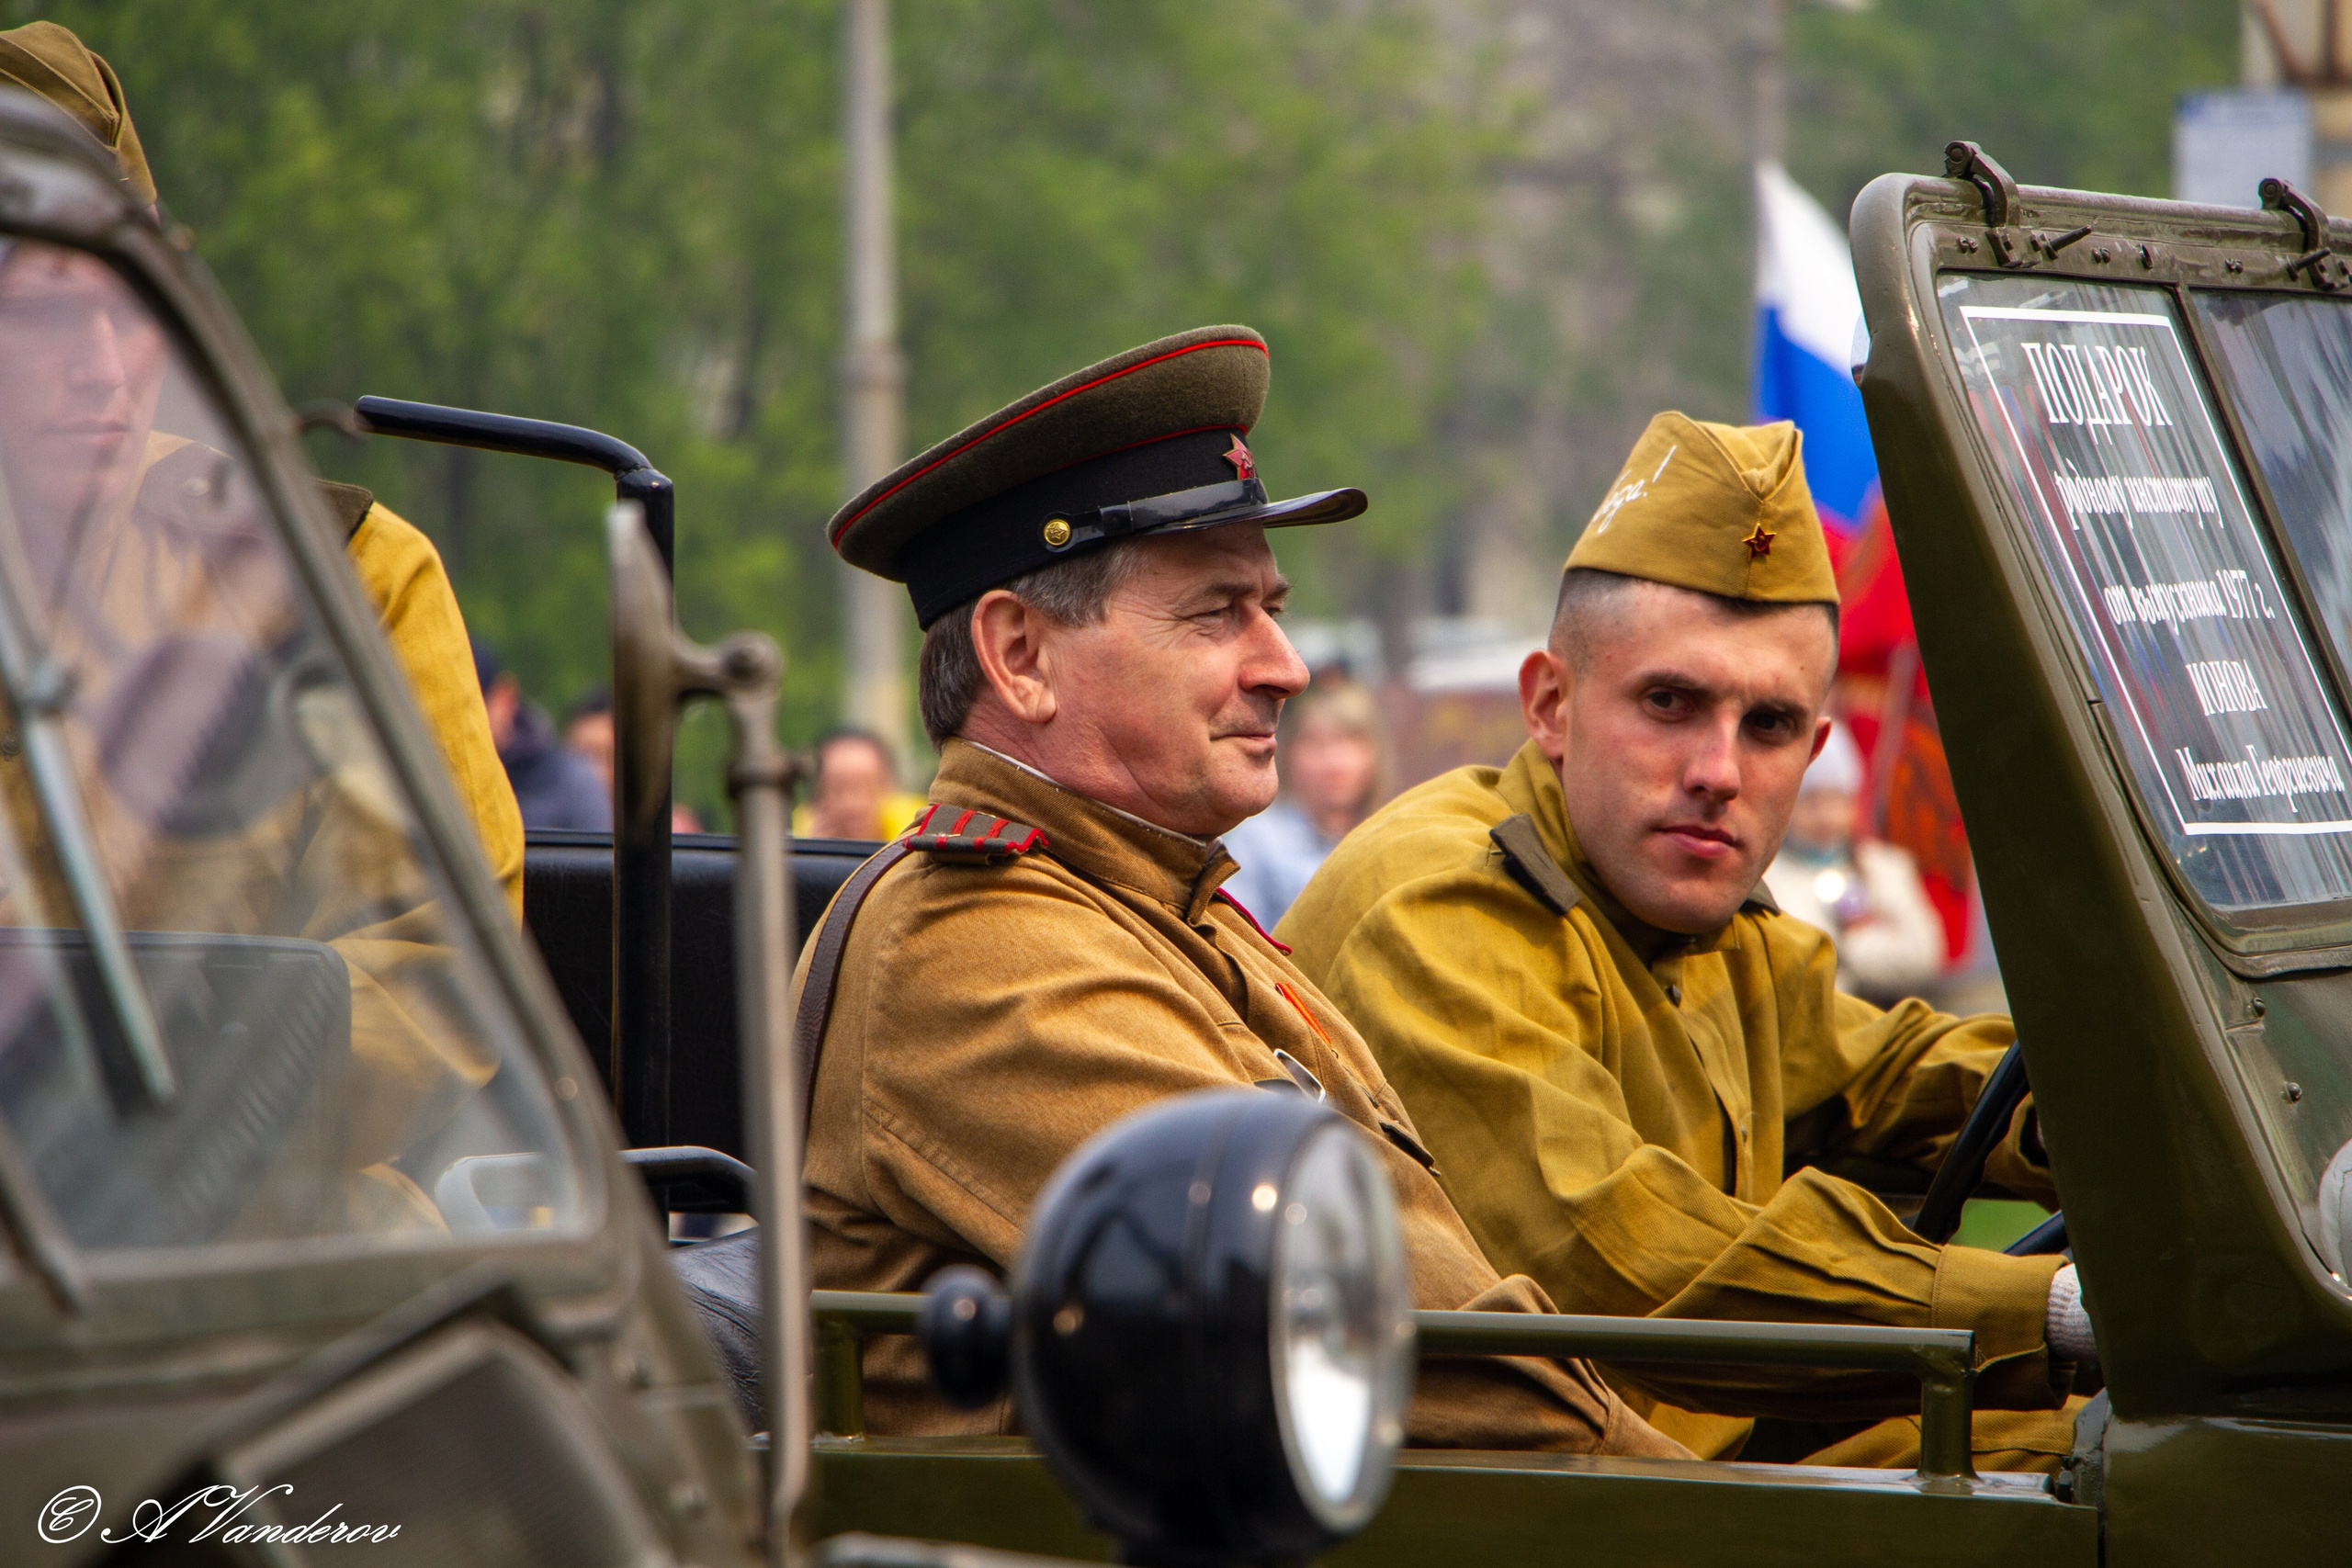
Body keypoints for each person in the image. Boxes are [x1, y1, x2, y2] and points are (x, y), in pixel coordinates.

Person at [794, 325, 1683, 1458]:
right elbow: (1402, 1346)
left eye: (1270, 606)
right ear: (1018, 655)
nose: (1285, 665)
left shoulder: (1159, 901)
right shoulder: (978, 953)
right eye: (1216, 614)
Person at [1278, 412, 2089, 1471]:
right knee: (2146, 1483)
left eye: (1768, 726)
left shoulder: (1693, 909)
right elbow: (1634, 1259)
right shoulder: (1442, 907)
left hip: (1661, 1476)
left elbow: (1892, 1073)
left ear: (1816, 748)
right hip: (1504, 1511)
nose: (1718, 769)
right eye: (1669, 702)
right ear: (1551, 705)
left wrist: (2141, 1117)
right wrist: (2059, 1315)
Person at [0, 21, 526, 918]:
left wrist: (264, 1046)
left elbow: (428, 967)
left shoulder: (345, 576)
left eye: (134, 303)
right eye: (47, 314)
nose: (103, 363)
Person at [1762, 720, 1945, 1003]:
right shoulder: (1770, 879)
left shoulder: (1886, 867)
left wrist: (1850, 948)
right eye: (1810, 802)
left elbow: (1924, 955)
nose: (1825, 817)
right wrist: (1877, 934)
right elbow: (1798, 969)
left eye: (1836, 800)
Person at [1221, 675, 1384, 926]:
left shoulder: (1389, 834)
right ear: (1288, 753)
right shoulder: (1256, 843)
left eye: (1348, 742)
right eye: (1316, 744)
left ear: (1374, 753)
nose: (1334, 763)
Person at [475, 639, 613, 831]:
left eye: (609, 757)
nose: (597, 771)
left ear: (504, 698)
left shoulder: (572, 786)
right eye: (583, 753)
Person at [792, 727, 926, 841]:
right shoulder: (795, 840)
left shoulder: (921, 830)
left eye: (869, 788)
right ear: (818, 793)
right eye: (839, 790)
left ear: (890, 787)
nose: (855, 805)